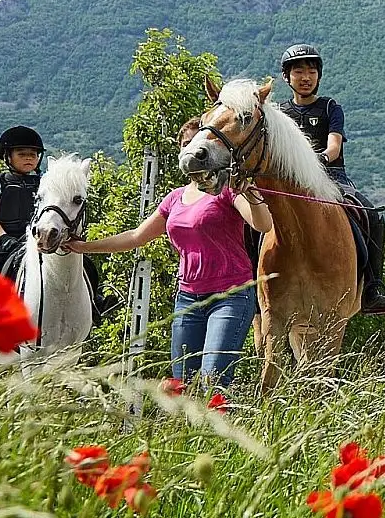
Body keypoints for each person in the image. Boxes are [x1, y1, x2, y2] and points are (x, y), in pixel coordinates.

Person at [69, 119, 274, 388]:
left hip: (231, 296)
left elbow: (263, 224)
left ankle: (218, 424)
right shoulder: (174, 198)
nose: (191, 150)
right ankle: (192, 428)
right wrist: (84, 247)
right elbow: (136, 237)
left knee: (212, 380)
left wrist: (253, 194)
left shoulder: (226, 190)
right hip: (188, 297)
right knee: (182, 383)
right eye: (185, 145)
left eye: (195, 144)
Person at [277, 43, 385, 316]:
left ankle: (373, 286)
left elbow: (333, 146)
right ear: (286, 77)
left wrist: (321, 160)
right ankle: (249, 284)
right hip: (290, 183)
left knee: (372, 215)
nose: (306, 77)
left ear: (319, 76)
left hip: (330, 176)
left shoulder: (330, 107)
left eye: (311, 71)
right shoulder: (280, 113)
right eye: (299, 71)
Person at [0, 125, 108, 326]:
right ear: (8, 156)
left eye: (33, 154)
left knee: (87, 265)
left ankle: (95, 303)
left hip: (39, 234)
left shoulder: (45, 183)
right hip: (6, 237)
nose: (29, 158)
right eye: (22, 154)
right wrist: (4, 239)